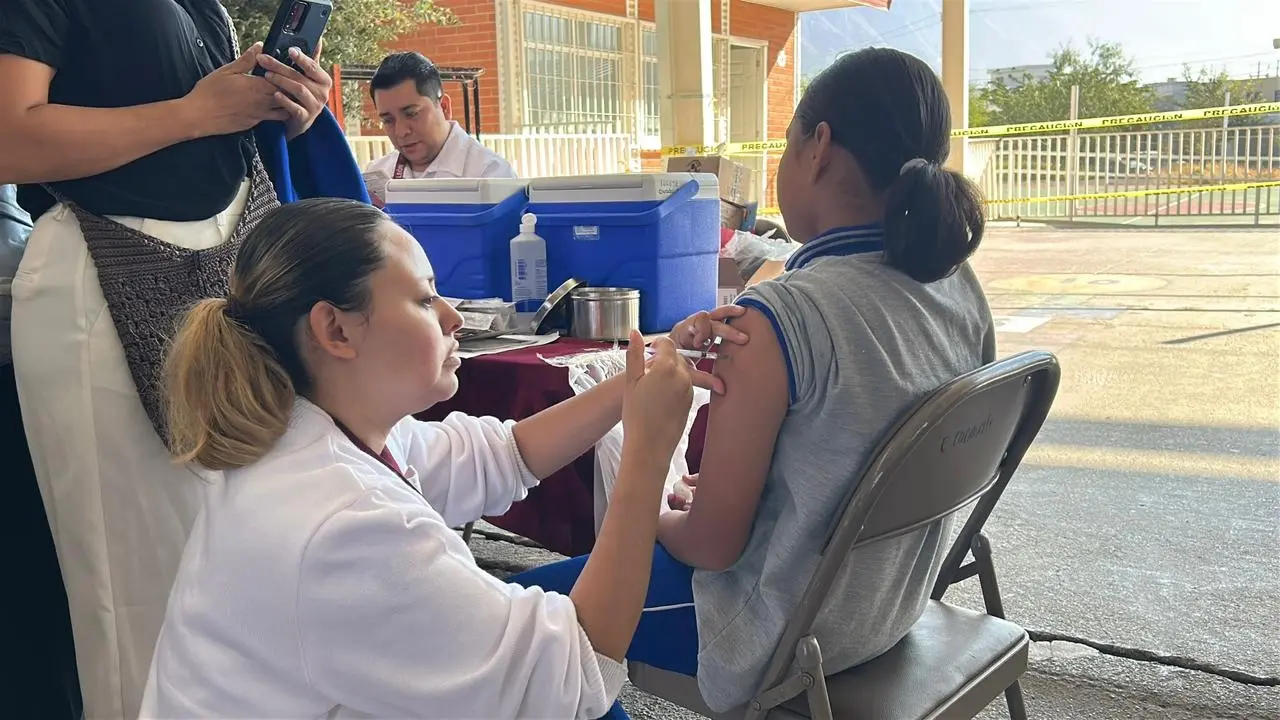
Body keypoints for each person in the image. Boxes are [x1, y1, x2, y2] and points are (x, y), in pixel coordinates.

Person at [510, 46, 996, 716]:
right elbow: (862, 437)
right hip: (888, 599)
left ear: (818, 147)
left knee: (526, 630)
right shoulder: (956, 285)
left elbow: (712, 547)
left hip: (785, 628)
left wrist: (646, 517)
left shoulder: (780, 318)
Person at [139, 198, 737, 718]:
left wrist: (647, 367)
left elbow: (506, 453)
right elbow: (575, 675)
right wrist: (647, 454)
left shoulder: (316, 433)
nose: (454, 317)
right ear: (336, 331)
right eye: (426, 300)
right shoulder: (341, 526)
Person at [0, 3, 339, 717]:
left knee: (233, 561)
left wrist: (279, 105)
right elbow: (9, 135)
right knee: (138, 588)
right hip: (101, 273)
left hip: (218, 274)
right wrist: (193, 113)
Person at [364, 51, 516, 189]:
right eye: (388, 120)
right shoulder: (376, 176)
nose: (401, 131)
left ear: (444, 107)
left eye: (411, 114)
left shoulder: (491, 175)